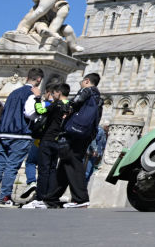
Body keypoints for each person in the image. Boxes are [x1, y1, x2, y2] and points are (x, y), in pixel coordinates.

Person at [46, 72, 102, 208]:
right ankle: (51, 197)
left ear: (87, 81)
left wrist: (63, 107)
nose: (80, 83)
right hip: (85, 133)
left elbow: (74, 103)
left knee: (72, 161)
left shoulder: (86, 90)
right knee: (66, 161)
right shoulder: (98, 97)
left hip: (74, 132)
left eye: (82, 81)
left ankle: (81, 198)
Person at [0, 67, 43, 207]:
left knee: (0, 164)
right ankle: (5, 197)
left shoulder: (14, 93)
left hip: (5, 132)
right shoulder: (31, 93)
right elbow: (29, 113)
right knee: (12, 166)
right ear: (39, 79)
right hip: (20, 133)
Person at [22, 82, 70, 209]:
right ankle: (50, 197)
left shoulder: (57, 104)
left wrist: (37, 97)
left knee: (43, 169)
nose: (53, 95)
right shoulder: (69, 105)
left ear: (58, 92)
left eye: (54, 93)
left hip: (47, 139)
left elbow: (40, 110)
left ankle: (39, 198)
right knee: (52, 169)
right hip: (58, 140)